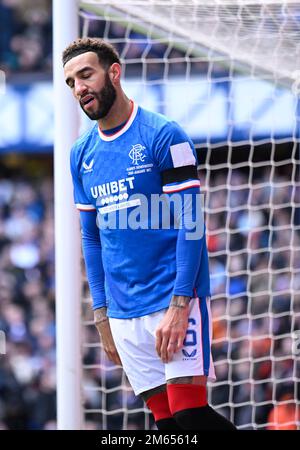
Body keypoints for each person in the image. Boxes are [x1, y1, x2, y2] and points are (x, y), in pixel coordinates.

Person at [62, 37, 236, 431]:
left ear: (114, 72)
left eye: (86, 74)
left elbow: (191, 223)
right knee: (169, 425)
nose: (79, 88)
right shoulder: (80, 154)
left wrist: (179, 304)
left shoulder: (162, 135)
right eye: (71, 81)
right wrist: (102, 314)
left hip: (173, 297)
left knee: (190, 413)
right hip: (123, 312)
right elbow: (90, 238)